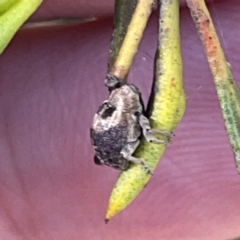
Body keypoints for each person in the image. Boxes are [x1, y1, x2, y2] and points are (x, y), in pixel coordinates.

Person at [0, 0, 239, 239]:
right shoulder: (126, 114)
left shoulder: (126, 107)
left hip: (112, 140)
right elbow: (141, 127)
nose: (133, 91)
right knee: (132, 136)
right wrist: (145, 155)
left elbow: (140, 122)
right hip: (117, 148)